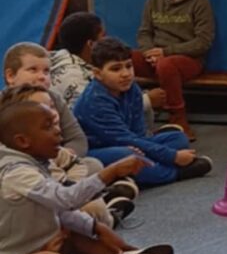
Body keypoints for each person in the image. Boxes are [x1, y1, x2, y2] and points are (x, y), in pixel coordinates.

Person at [0, 93, 173, 254]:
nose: (58, 130)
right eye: (47, 127)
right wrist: (110, 172)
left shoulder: (34, 162)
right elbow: (65, 200)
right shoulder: (15, 172)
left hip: (40, 243)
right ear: (23, 141)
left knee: (77, 232)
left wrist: (95, 228)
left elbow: (57, 209)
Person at [75, 39, 213, 187]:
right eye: (116, 69)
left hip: (129, 142)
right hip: (95, 151)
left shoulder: (131, 88)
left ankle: (132, 175)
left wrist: (144, 148)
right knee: (127, 155)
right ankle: (175, 173)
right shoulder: (95, 100)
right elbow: (124, 139)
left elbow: (138, 134)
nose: (125, 74)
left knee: (178, 138)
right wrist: (173, 157)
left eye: (129, 66)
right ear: (97, 73)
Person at [0, 84, 136, 229]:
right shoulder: (16, 169)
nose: (53, 114)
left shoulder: (46, 147)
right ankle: (109, 215)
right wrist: (111, 172)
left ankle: (102, 197)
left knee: (93, 164)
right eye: (41, 109)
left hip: (63, 192)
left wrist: (73, 182)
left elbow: (75, 156)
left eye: (52, 106)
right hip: (45, 210)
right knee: (90, 210)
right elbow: (63, 200)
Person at [132, 0, 215, 140]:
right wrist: (148, 53)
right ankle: (128, 115)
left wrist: (165, 52)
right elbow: (144, 32)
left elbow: (203, 42)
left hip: (187, 60)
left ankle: (178, 120)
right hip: (155, 58)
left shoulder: (200, 1)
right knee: (122, 57)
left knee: (166, 65)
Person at [51, 11, 163, 133]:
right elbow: (96, 116)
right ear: (91, 44)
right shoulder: (72, 76)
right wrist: (146, 101)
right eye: (103, 36)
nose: (125, 73)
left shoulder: (77, 61)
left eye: (128, 66)